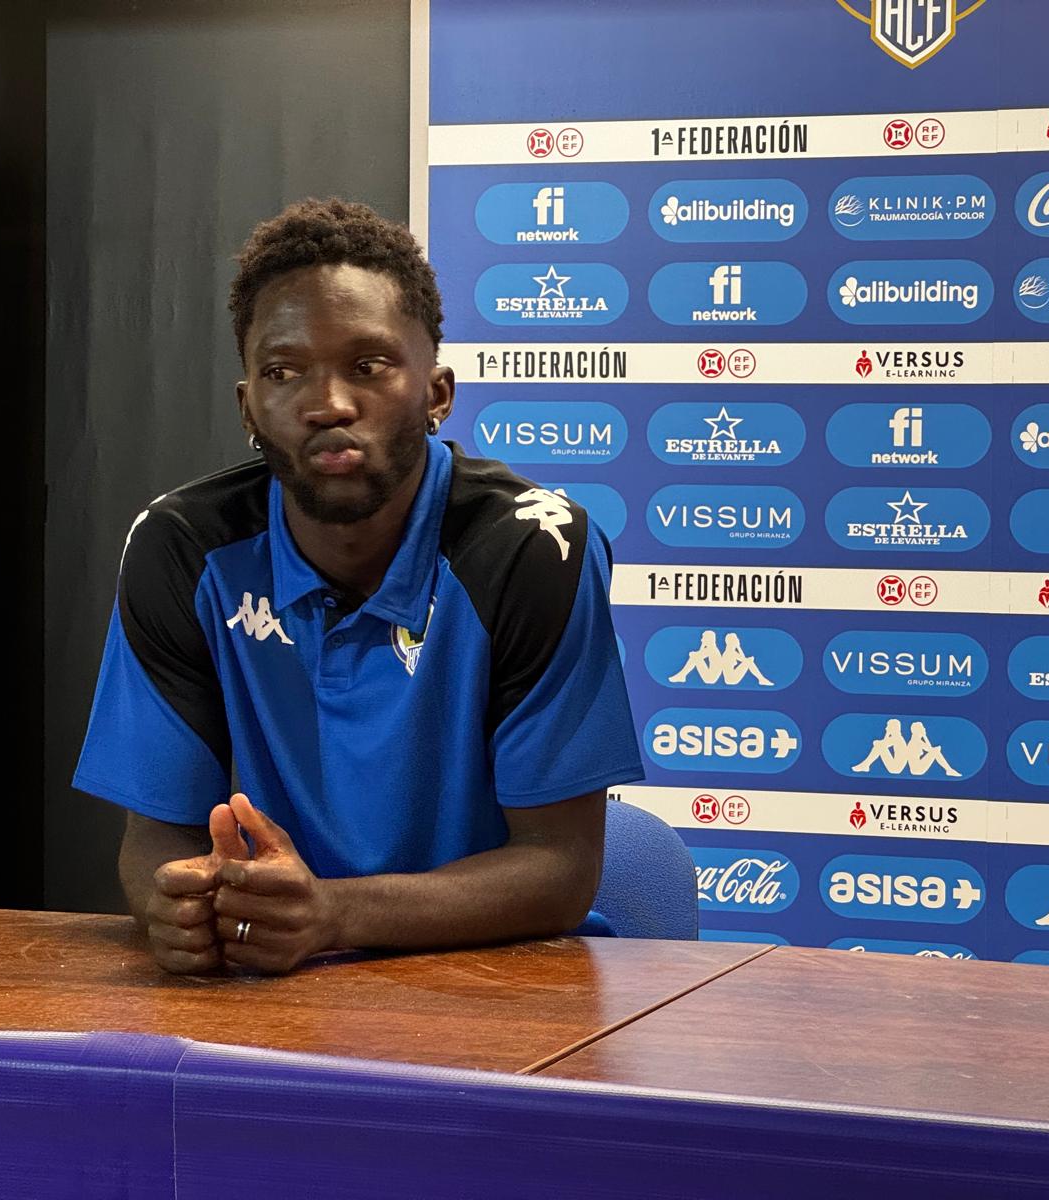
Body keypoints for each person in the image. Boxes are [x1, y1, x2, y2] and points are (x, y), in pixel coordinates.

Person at [73, 198, 642, 975]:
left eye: (368, 366)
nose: (327, 404)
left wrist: (334, 914)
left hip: (498, 980)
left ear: (437, 393)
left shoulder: (533, 548)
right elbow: (155, 840)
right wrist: (173, 903)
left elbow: (559, 871)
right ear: (248, 406)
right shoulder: (180, 550)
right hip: (279, 985)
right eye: (283, 372)